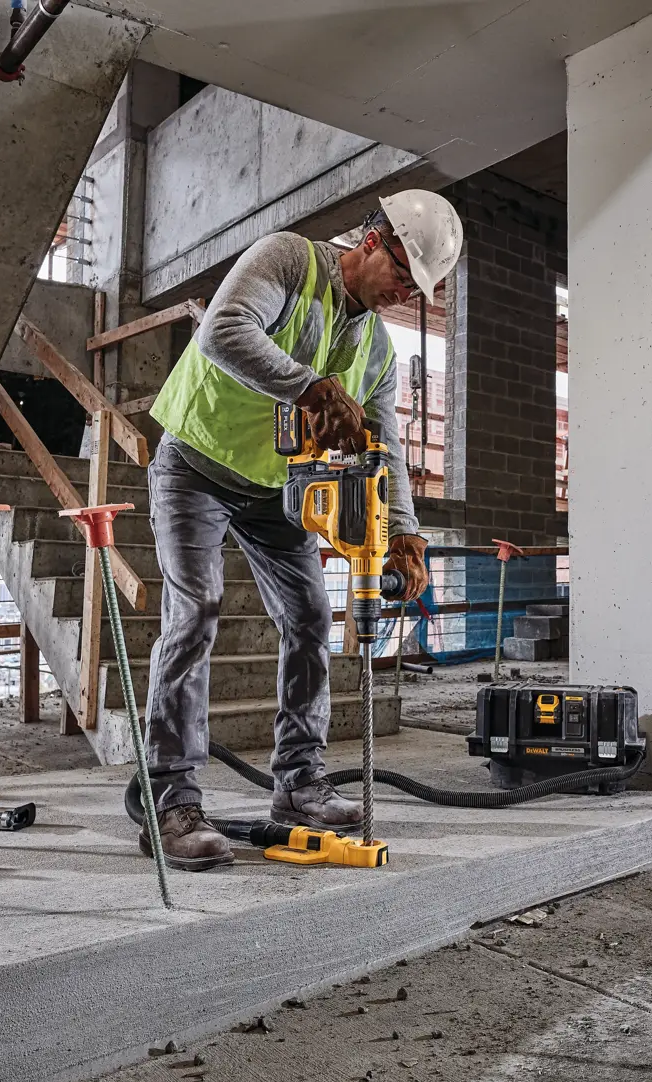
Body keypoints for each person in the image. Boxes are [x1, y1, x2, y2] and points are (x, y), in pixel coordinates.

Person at [142, 190, 465, 870]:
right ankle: (170, 798)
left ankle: (298, 786)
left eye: (415, 289)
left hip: (273, 490)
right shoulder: (289, 260)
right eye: (401, 275)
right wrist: (311, 389)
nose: (401, 292)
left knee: (312, 615)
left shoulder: (374, 348)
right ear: (373, 242)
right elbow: (224, 330)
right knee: (195, 609)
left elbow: (386, 447)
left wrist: (406, 535)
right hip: (194, 464)